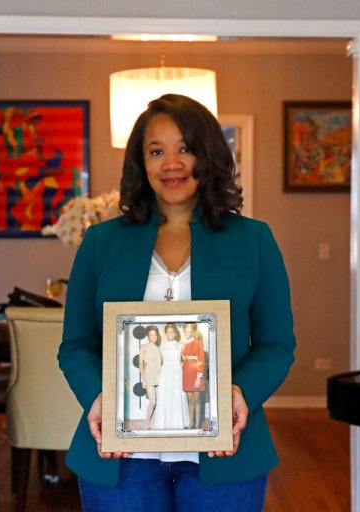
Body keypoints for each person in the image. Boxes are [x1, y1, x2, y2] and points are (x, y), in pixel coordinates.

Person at [58, 94, 296, 512]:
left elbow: (276, 345)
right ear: (141, 162)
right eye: (156, 151)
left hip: (226, 453)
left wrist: (241, 393)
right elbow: (77, 344)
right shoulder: (101, 242)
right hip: (121, 458)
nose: (172, 163)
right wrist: (100, 397)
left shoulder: (255, 239)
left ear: (208, 155)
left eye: (185, 148)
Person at [150, 323, 189, 430]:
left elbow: (185, 360)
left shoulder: (181, 345)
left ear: (175, 333)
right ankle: (163, 423)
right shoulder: (162, 346)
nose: (170, 334)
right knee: (165, 395)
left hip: (177, 372)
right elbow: (160, 362)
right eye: (168, 332)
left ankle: (177, 423)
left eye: (172, 332)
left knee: (177, 395)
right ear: (165, 333)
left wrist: (183, 365)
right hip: (165, 372)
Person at [182, 322, 206, 429]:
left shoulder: (198, 343)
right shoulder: (183, 345)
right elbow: (183, 360)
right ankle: (191, 423)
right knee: (190, 400)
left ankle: (197, 425)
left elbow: (201, 360)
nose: (187, 333)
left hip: (196, 374)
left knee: (197, 400)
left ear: (193, 332)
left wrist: (198, 377)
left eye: (189, 331)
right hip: (187, 373)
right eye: (186, 331)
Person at [138, 325, 162, 429]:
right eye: (151, 335)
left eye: (155, 335)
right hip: (149, 378)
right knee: (152, 402)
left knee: (158, 402)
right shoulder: (143, 347)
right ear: (148, 336)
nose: (153, 337)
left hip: (159, 378)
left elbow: (161, 364)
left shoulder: (158, 349)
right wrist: (143, 380)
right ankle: (146, 422)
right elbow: (140, 365)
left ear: (157, 336)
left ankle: (153, 422)